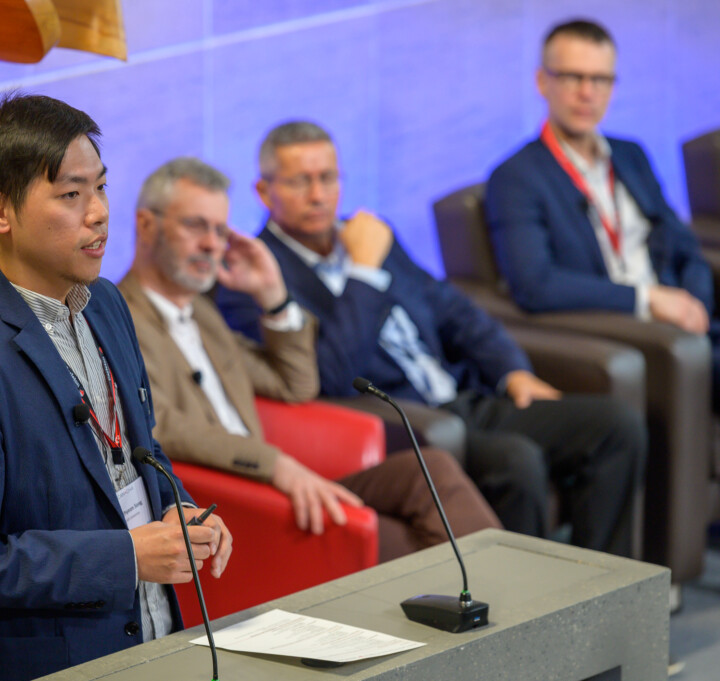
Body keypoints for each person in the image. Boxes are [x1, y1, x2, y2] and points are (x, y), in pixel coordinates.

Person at [0, 95, 232, 681]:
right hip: (54, 660)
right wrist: (127, 556)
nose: (99, 212)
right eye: (71, 195)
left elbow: (138, 453)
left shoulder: (105, 303)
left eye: (100, 188)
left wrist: (180, 508)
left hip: (152, 628)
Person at [215, 120, 647, 558]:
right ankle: (526, 612)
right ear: (264, 192)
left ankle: (601, 588)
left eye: (328, 178)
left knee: (616, 425)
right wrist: (363, 274)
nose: (318, 195)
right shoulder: (256, 276)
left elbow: (452, 308)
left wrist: (510, 370)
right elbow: (328, 375)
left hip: (463, 397)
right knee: (517, 461)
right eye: (299, 181)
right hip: (406, 422)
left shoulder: (368, 234)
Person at [119, 157, 501, 561]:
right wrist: (277, 466)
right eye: (195, 226)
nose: (212, 244)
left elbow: (296, 384)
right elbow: (159, 426)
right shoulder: (119, 319)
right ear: (146, 225)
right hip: (235, 505)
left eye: (219, 230)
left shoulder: (204, 316)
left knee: (431, 470)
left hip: (280, 486)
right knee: (406, 541)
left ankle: (517, 595)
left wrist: (274, 297)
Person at [485, 19, 719, 405]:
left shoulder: (630, 154)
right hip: (629, 336)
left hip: (686, 332)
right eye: (573, 77)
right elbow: (534, 284)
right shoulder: (515, 177)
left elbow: (683, 245)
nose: (587, 93)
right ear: (543, 82)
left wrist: (695, 306)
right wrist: (647, 300)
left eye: (601, 80)